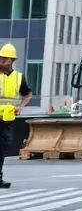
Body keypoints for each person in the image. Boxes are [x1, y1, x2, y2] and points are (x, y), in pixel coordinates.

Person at [0, 43, 32, 189]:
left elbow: (27, 94)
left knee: (3, 146)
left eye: (4, 59)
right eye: (0, 58)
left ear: (11, 61)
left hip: (7, 119)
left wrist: (21, 107)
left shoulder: (18, 78)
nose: (1, 61)